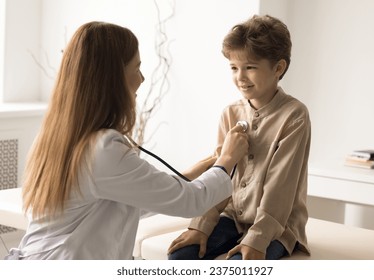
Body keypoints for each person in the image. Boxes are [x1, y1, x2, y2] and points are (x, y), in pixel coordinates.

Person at [5, 21, 248, 260]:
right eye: (136, 68)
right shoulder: (103, 149)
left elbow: (126, 195)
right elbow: (190, 202)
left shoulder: (55, 134)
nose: (141, 79)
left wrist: (190, 174)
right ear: (113, 77)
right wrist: (226, 160)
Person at [168, 14, 311, 260]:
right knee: (180, 257)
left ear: (278, 68)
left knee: (239, 266)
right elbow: (220, 174)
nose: (240, 77)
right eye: (234, 68)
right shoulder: (230, 113)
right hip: (233, 218)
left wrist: (257, 240)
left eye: (250, 67)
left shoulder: (294, 116)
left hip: (276, 227)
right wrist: (200, 225)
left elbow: (281, 187)